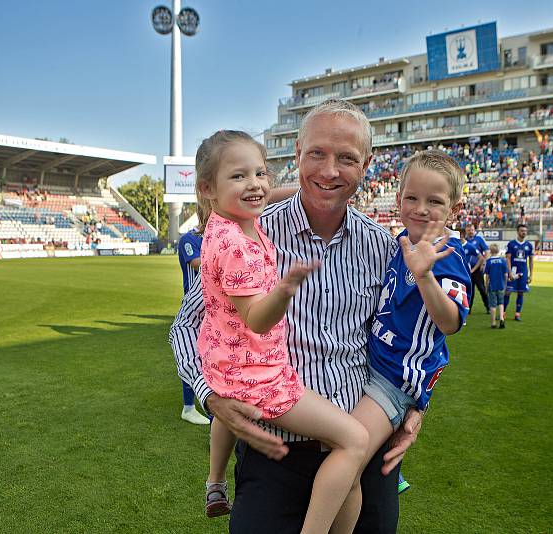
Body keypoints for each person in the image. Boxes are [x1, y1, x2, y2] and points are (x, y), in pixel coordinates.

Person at [170, 99, 420, 533]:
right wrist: (211, 397)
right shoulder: (250, 229)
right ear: (298, 152)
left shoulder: (384, 247)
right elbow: (188, 324)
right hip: (276, 450)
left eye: (347, 158)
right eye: (317, 154)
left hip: (358, 451)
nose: (329, 171)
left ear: (368, 164)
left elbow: (408, 339)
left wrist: (416, 405)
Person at [192, 130, 370, 532]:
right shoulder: (239, 244)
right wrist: (284, 290)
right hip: (261, 378)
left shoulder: (227, 222)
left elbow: (255, 191)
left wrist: (314, 186)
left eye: (261, 173)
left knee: (226, 397)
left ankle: (214, 481)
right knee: (355, 441)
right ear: (207, 188)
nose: (255, 184)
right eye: (239, 176)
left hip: (226, 361)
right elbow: (256, 319)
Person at [354, 151, 471, 503]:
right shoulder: (399, 241)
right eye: (412, 198)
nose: (421, 208)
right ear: (399, 198)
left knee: (345, 453)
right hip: (370, 365)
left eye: (434, 201)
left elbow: (450, 322)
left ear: (455, 209)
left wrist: (424, 276)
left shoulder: (446, 253)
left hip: (393, 379)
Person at [176, 228, 210, 425]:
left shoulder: (220, 232)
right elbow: (197, 264)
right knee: (193, 355)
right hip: (195, 307)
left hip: (216, 305)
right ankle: (188, 407)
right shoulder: (189, 238)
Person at [504, 224, 534, 321]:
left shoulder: (529, 245)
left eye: (525, 231)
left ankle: (517, 314)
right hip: (512, 271)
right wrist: (509, 272)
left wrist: (531, 274)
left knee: (521, 292)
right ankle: (502, 313)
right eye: (522, 231)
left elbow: (531, 260)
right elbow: (508, 258)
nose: (524, 232)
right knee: (508, 292)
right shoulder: (511, 244)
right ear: (517, 231)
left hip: (523, 272)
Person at [464, 223, 490, 313]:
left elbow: (487, 251)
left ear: (474, 230)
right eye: (468, 230)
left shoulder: (479, 239)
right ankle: (469, 309)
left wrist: (484, 263)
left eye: (471, 230)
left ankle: (488, 306)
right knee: (470, 290)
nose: (470, 232)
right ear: (466, 231)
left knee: (482, 289)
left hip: (478, 269)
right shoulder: (464, 241)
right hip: (467, 270)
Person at [484, 243, 509, 329]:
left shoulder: (488, 261)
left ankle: (493, 322)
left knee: (493, 304)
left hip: (492, 285)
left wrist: (486, 286)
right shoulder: (503, 260)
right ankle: (502, 318)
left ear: (490, 251)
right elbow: (506, 274)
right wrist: (505, 284)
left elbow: (487, 276)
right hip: (501, 285)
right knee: (501, 303)